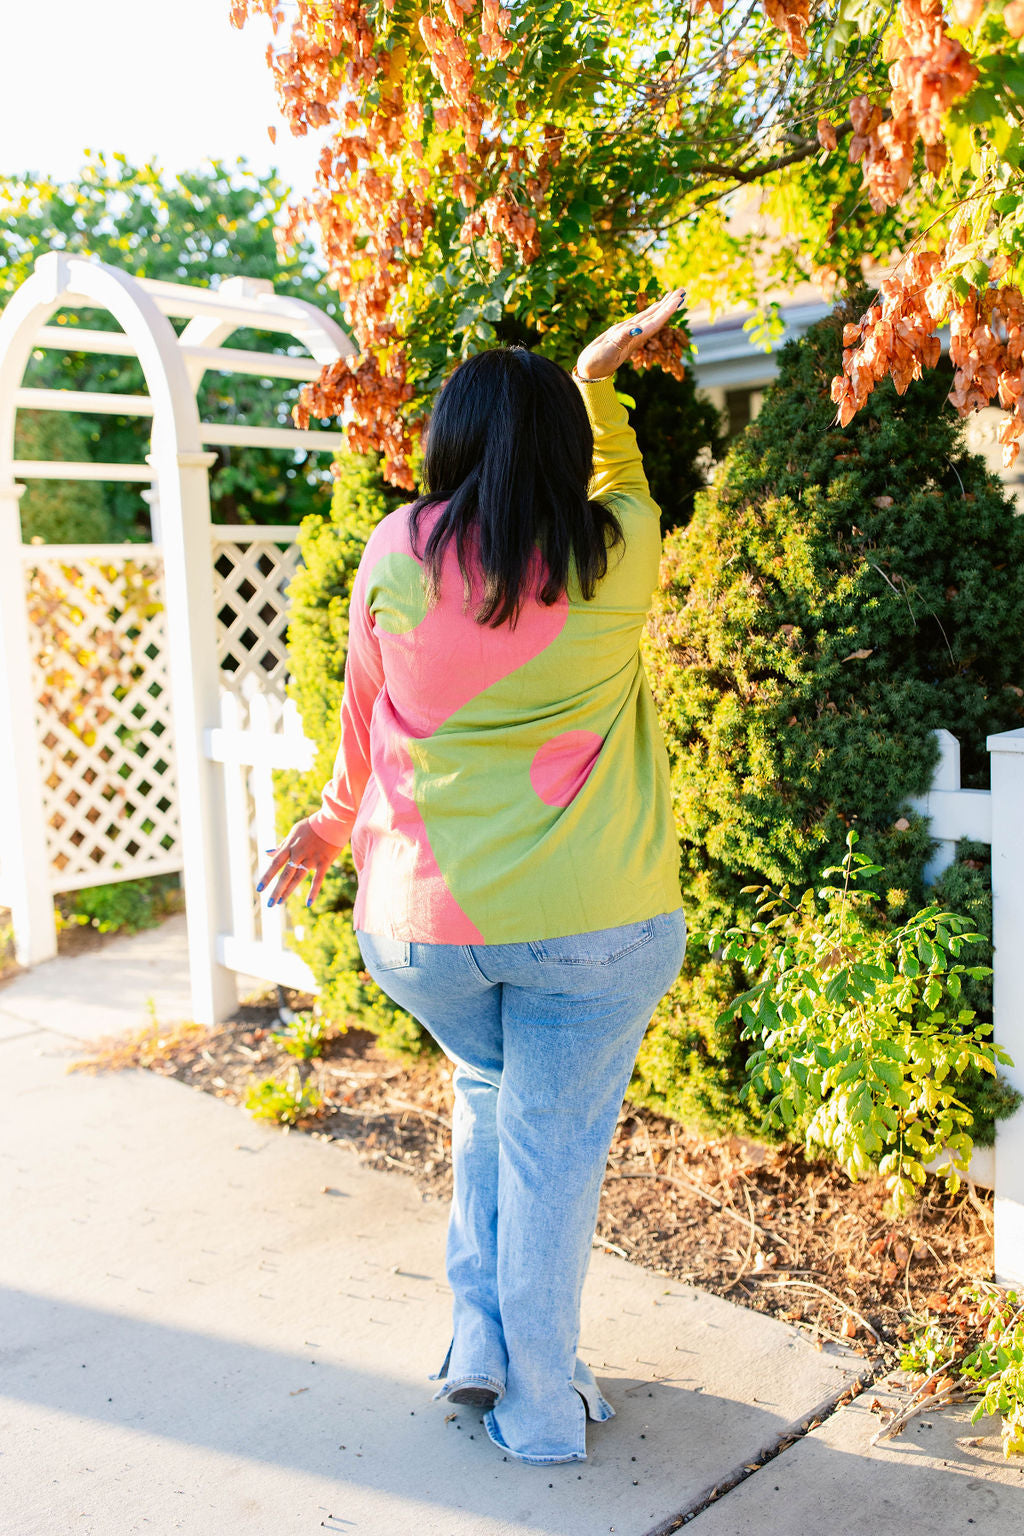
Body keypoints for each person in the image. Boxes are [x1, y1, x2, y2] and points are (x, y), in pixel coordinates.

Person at [258, 289, 688, 1466]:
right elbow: (622, 479)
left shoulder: (397, 548)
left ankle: (480, 1348)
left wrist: (328, 826)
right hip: (597, 927)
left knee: (493, 1098)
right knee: (550, 1143)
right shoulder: (618, 554)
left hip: (424, 928)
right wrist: (596, 380)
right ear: (559, 443)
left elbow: (364, 712)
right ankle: (541, 1410)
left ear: (449, 440)